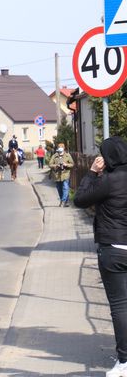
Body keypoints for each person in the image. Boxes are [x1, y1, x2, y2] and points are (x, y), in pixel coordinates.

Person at [74, 136, 127, 377]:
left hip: (114, 248)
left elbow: (80, 200)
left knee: (120, 306)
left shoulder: (108, 180)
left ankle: (125, 362)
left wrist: (92, 173)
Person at [49, 143, 74, 207]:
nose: (60, 149)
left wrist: (66, 164)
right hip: (57, 175)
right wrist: (56, 165)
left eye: (61, 147)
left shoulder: (67, 155)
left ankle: (63, 201)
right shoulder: (54, 156)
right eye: (59, 147)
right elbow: (50, 164)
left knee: (65, 188)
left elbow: (72, 164)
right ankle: (65, 201)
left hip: (65, 174)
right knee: (59, 189)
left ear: (64, 148)